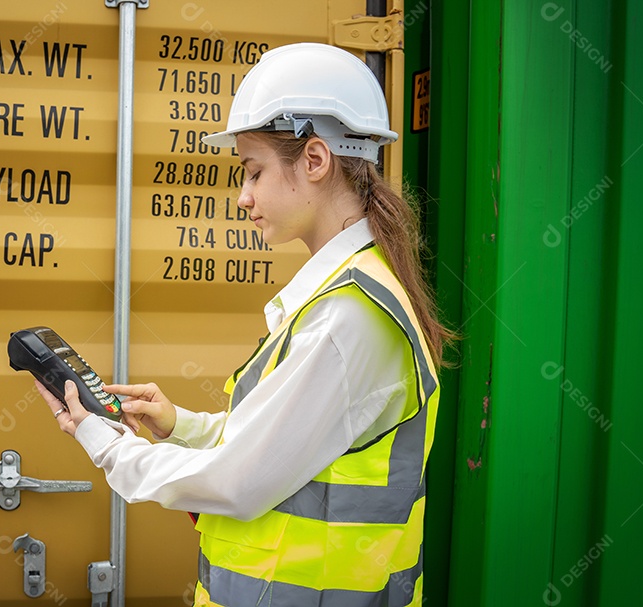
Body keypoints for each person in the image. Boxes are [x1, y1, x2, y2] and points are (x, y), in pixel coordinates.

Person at [35, 43, 452, 607]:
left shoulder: (346, 318)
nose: (243, 197)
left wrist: (101, 440)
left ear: (315, 159)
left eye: (253, 172)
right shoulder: (347, 296)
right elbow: (287, 446)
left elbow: (237, 481)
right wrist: (179, 423)